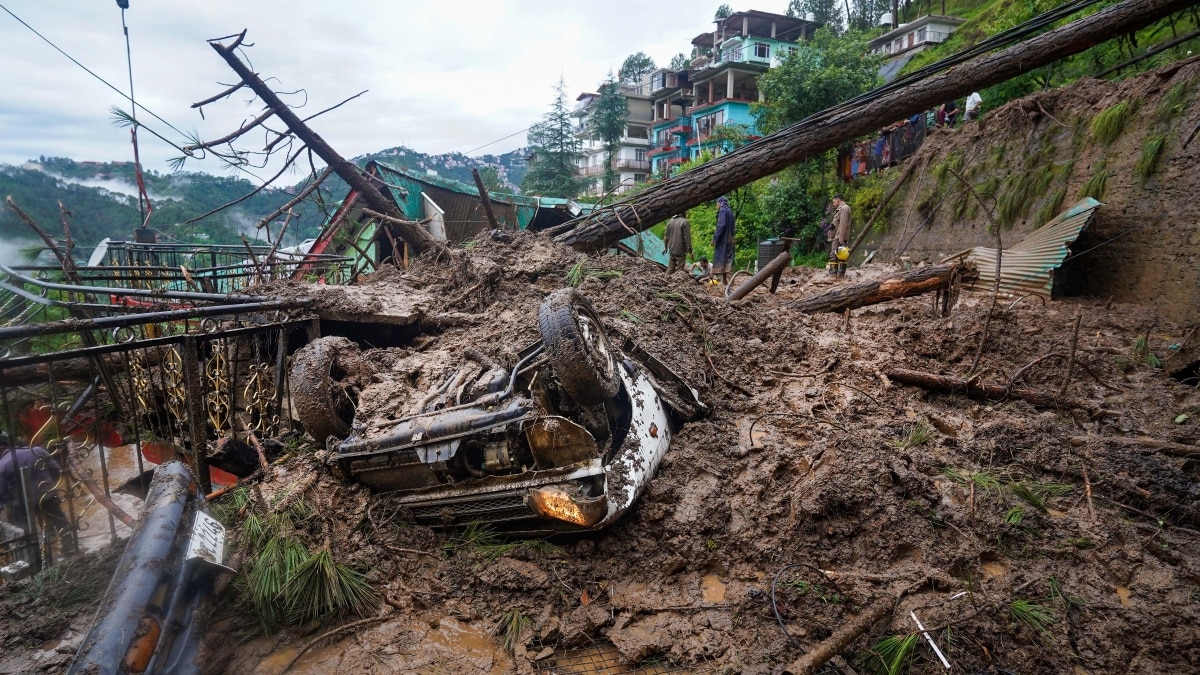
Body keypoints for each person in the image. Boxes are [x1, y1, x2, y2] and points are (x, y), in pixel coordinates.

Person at [0, 436, 71, 542]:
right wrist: (51, 487)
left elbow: (2, 492)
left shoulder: (2, 465)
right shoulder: (36, 451)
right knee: (59, 519)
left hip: (23, 504)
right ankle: (69, 544)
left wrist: (12, 503)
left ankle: (36, 551)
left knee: (24, 531)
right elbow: (56, 471)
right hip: (47, 494)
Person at [711, 196, 735, 284]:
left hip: (724, 239)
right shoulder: (730, 211)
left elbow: (721, 225)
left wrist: (715, 239)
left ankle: (729, 281)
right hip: (731, 237)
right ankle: (727, 281)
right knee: (729, 258)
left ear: (719, 202)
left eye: (717, 203)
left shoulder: (722, 210)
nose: (716, 205)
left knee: (722, 259)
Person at [828, 195, 851, 279]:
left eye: (834, 202)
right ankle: (838, 276)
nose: (833, 204)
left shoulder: (844, 208)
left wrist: (841, 239)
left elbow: (844, 224)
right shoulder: (840, 209)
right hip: (837, 236)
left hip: (839, 237)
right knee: (840, 255)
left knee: (835, 254)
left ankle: (833, 276)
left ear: (838, 200)